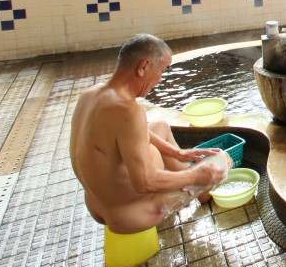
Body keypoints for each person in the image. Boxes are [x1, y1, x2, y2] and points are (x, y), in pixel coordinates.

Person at [70, 34, 230, 234]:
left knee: (161, 126)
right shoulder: (127, 110)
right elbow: (145, 182)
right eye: (161, 70)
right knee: (223, 160)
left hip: (96, 203)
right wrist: (195, 176)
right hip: (128, 213)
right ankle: (199, 187)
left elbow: (136, 132)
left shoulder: (91, 94)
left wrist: (177, 153)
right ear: (143, 67)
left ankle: (201, 193)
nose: (160, 79)